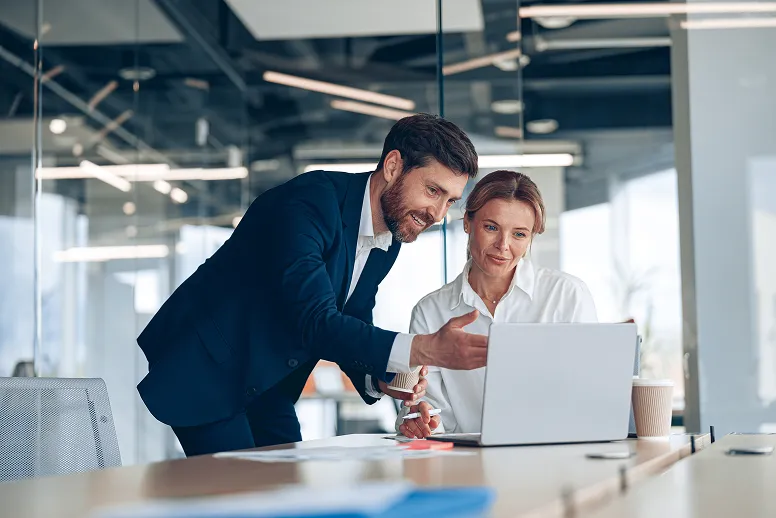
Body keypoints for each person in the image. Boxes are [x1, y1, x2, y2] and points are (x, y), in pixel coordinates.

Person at [136, 114, 489, 456]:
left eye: (450, 201)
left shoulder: (389, 234)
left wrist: (383, 378)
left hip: (267, 380)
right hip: (208, 367)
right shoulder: (309, 201)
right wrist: (422, 349)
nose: (438, 213)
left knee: (288, 488)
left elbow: (351, 313)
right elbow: (315, 319)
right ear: (393, 166)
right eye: (432, 190)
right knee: (239, 495)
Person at [398, 170, 598, 439]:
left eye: (519, 234)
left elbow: (590, 394)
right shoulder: (431, 311)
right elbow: (426, 408)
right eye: (491, 227)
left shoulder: (567, 295)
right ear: (468, 222)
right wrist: (420, 418)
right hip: (467, 466)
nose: (503, 246)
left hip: (553, 457)